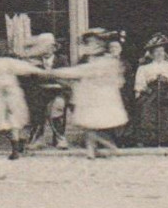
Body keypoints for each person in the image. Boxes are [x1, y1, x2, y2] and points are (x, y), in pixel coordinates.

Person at [0, 37, 54, 159]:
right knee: (8, 122)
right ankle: (18, 143)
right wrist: (45, 72)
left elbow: (28, 69)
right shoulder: (0, 63)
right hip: (5, 94)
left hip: (2, 94)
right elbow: (29, 69)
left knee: (6, 121)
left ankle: (16, 147)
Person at [53, 29, 128, 159]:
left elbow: (81, 72)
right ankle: (91, 150)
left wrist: (53, 73)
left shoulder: (106, 61)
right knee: (88, 125)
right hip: (87, 95)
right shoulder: (87, 59)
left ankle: (110, 147)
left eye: (94, 42)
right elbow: (76, 73)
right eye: (89, 43)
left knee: (93, 125)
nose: (90, 45)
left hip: (101, 97)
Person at [131, 32, 168, 146]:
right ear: (151, 54)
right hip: (150, 93)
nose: (159, 54)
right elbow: (139, 85)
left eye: (161, 51)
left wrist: (167, 80)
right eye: (156, 52)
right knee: (147, 109)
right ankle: (150, 139)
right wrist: (148, 86)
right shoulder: (144, 68)